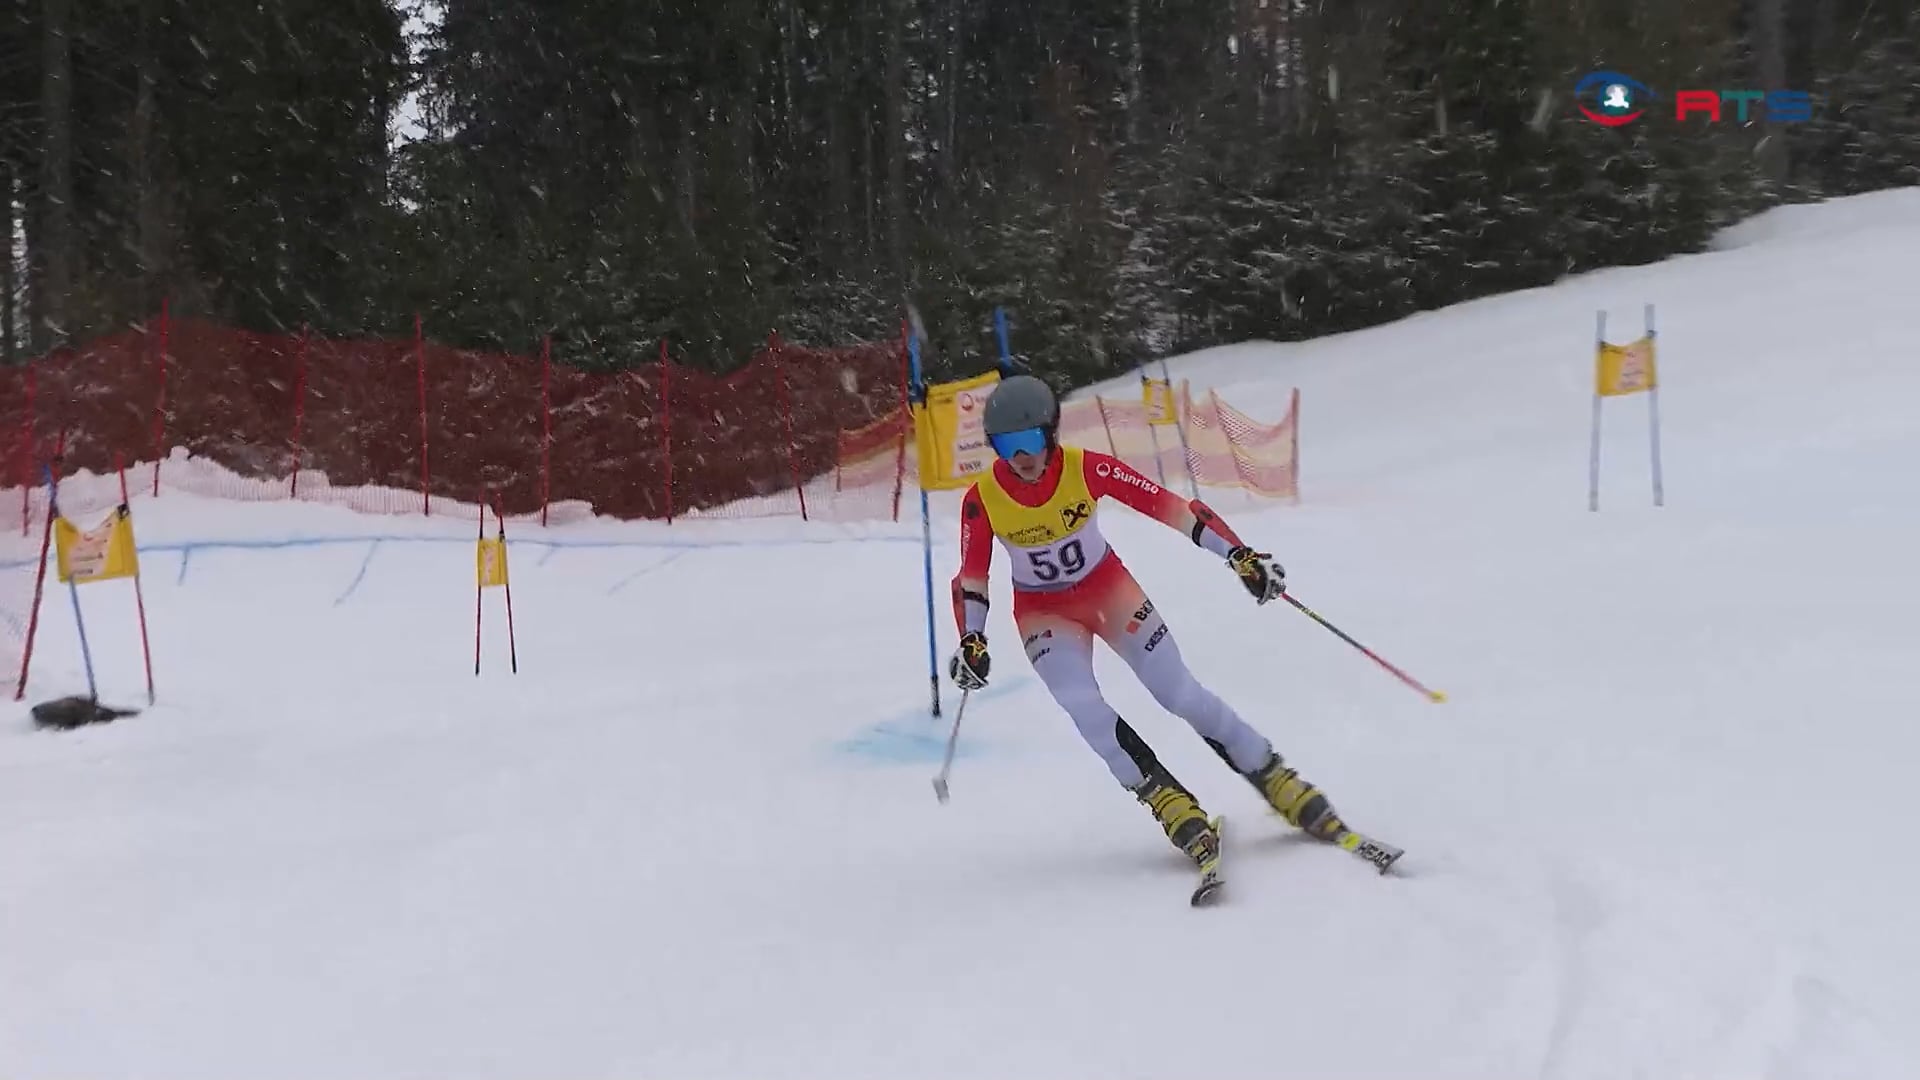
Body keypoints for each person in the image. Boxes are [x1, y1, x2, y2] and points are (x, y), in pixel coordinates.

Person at [946, 374, 1353, 875]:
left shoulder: (1086, 468)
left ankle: (1273, 776)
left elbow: (1173, 509)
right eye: (1006, 446)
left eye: (1029, 441)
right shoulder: (981, 499)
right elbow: (971, 577)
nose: (1020, 457)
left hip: (1108, 590)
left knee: (1178, 693)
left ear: (1050, 435)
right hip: (1043, 613)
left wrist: (1239, 555)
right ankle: (1166, 799)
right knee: (1082, 706)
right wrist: (972, 638)